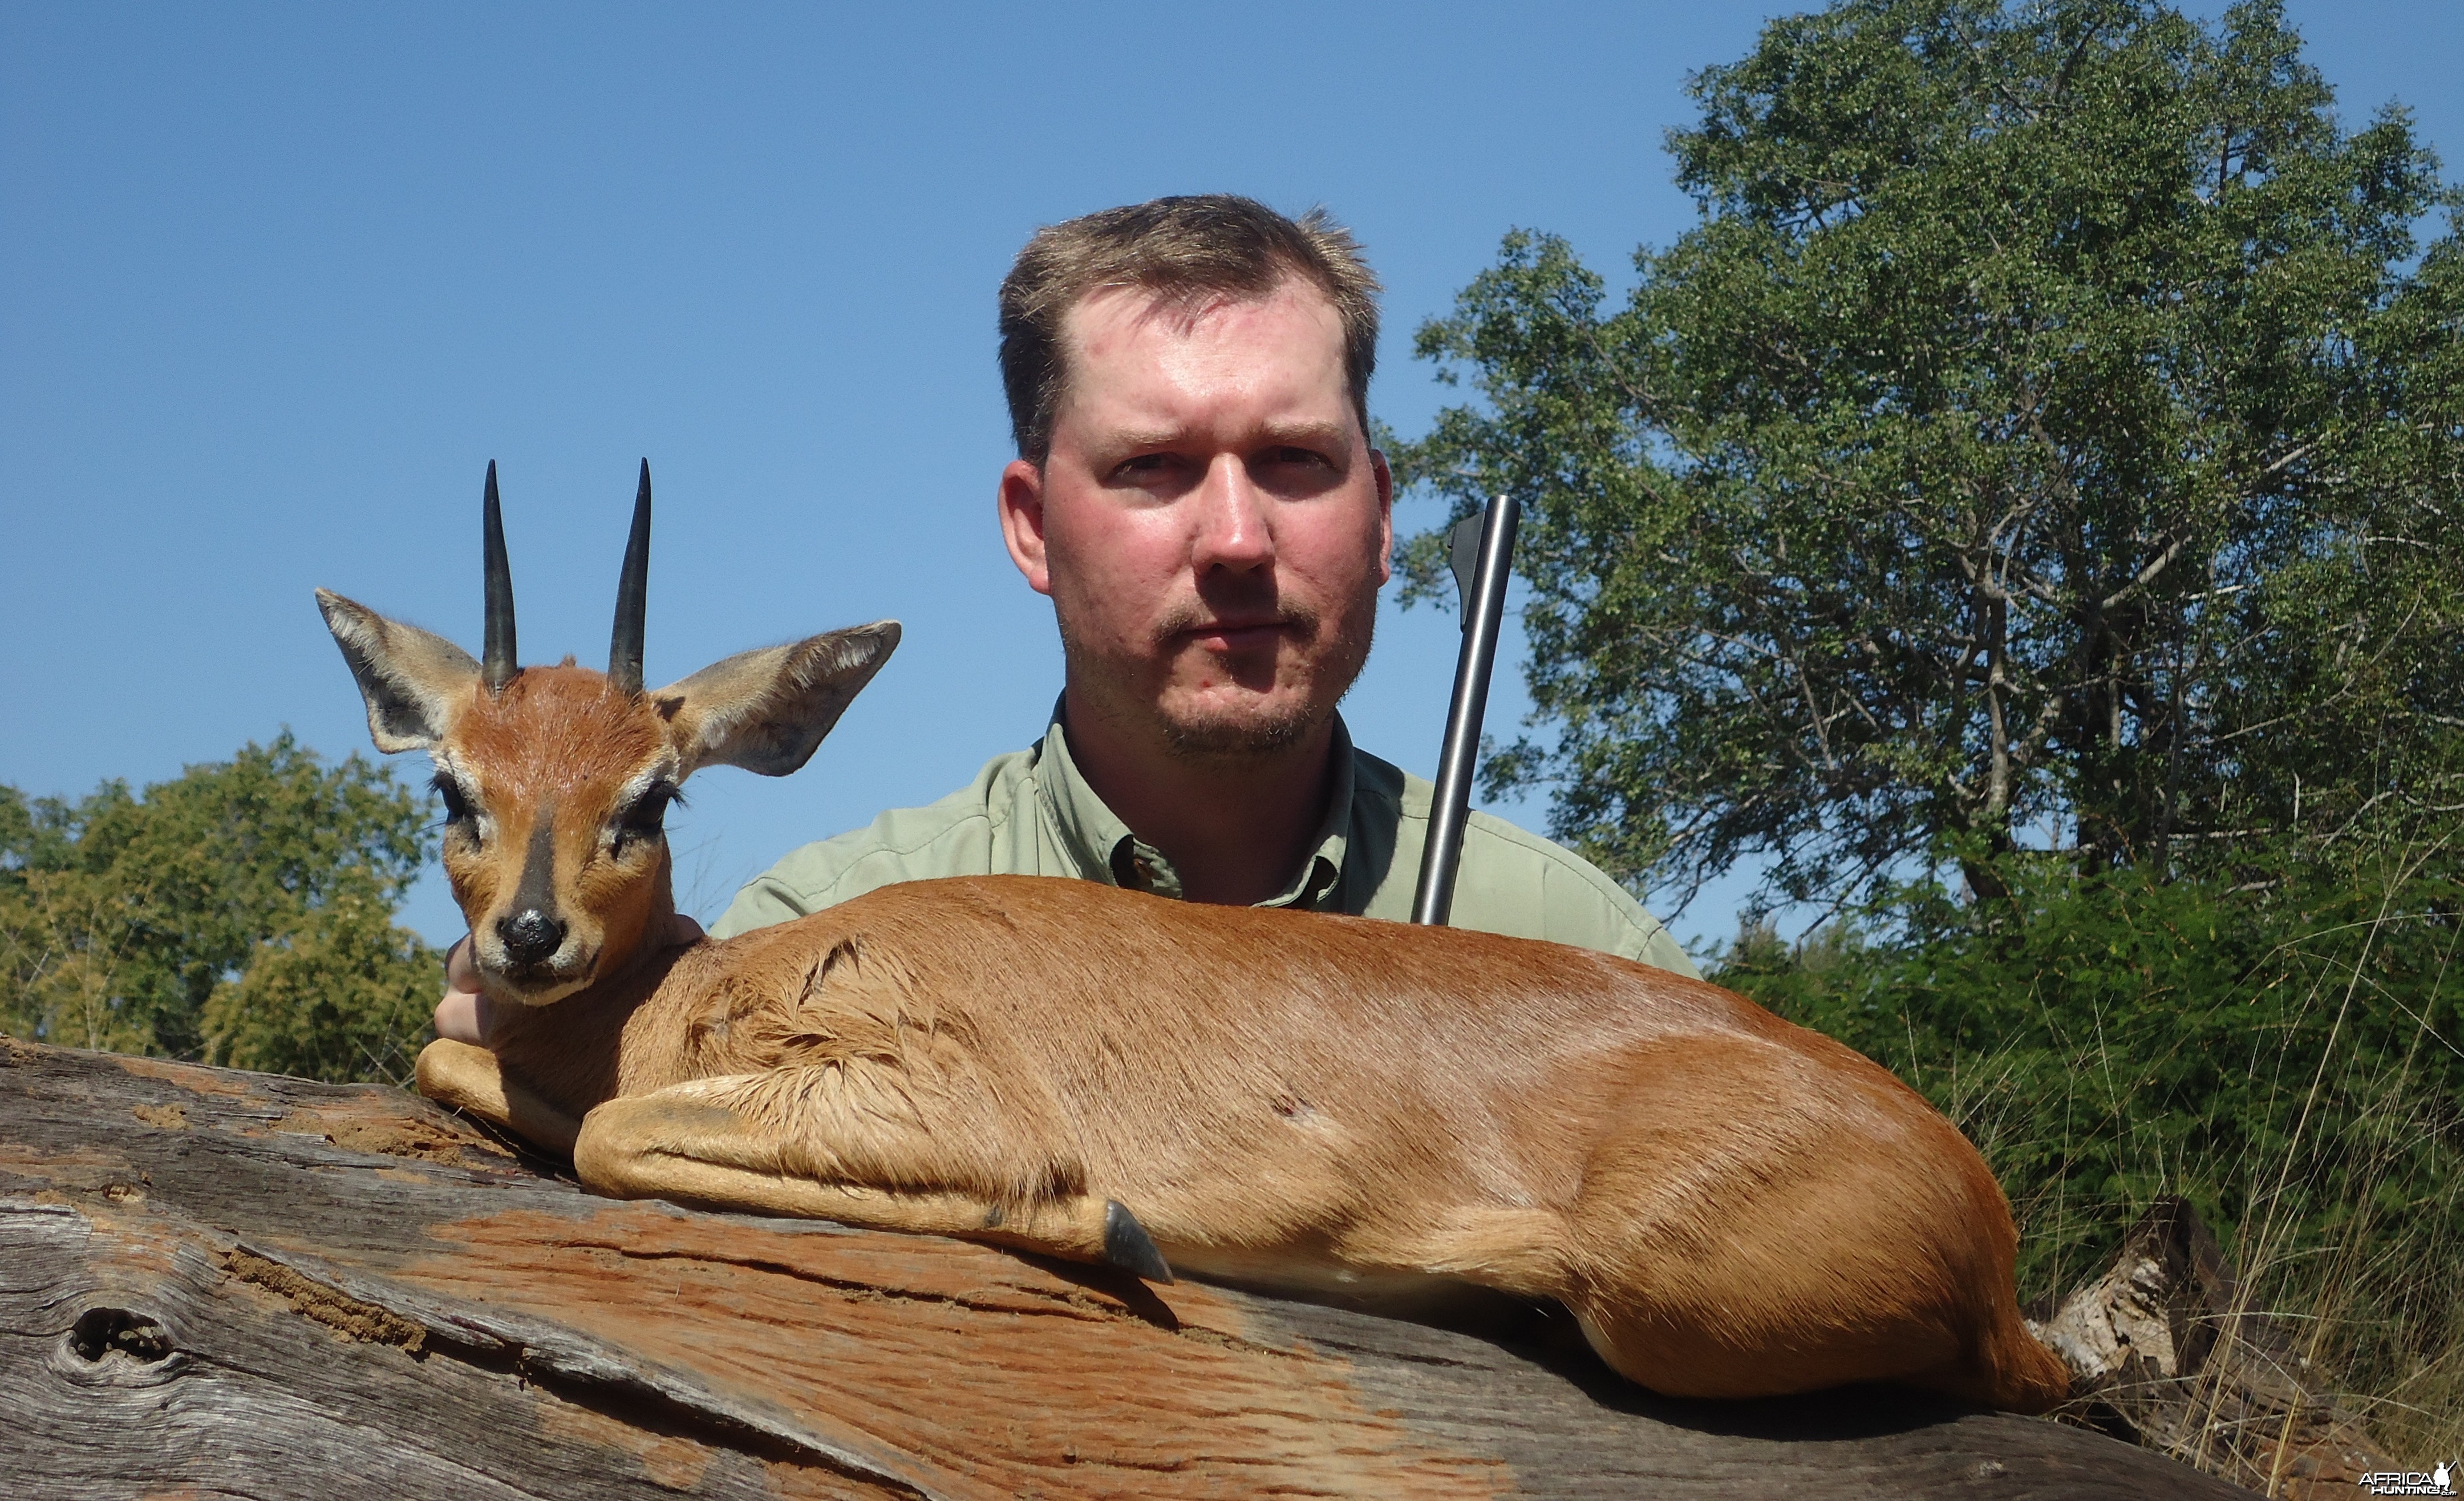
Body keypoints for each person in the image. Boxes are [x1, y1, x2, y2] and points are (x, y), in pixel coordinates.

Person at [436, 195, 1691, 1045]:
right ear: (1031, 525)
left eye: (1298, 460)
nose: (1240, 540)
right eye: (1154, 467)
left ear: (1382, 513)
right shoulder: (808, 949)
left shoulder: (1583, 955)